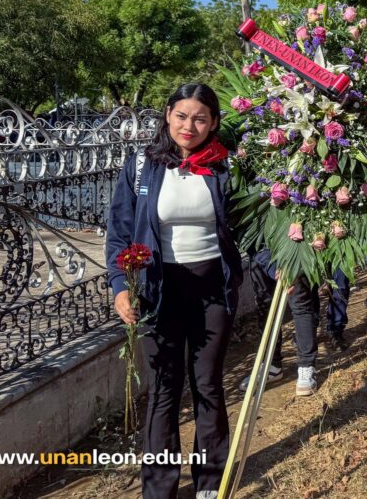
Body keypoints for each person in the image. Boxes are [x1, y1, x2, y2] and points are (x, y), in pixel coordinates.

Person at [106, 83, 243, 499]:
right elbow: (119, 232)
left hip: (212, 289)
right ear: (167, 115)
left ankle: (210, 483)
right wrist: (120, 287)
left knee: (208, 385)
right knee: (164, 389)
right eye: (181, 116)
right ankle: (159, 488)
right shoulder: (141, 167)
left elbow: (251, 224)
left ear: (213, 123)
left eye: (200, 118)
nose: (189, 126)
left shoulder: (226, 167)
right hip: (158, 290)